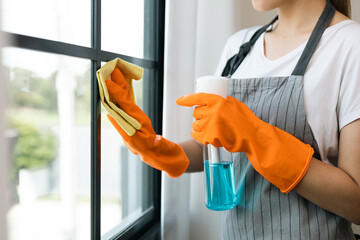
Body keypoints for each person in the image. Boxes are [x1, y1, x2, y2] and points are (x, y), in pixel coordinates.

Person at [104, 0, 360, 239]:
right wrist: (157, 148)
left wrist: (257, 138)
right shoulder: (239, 46)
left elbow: (357, 203)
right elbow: (213, 147)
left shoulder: (351, 44)